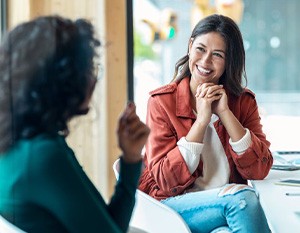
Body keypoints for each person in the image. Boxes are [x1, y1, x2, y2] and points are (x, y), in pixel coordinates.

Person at [0, 15, 150, 233]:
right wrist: (131, 163)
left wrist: (131, 158)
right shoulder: (43, 156)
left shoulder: (22, 143)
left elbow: (109, 226)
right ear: (65, 81)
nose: (93, 79)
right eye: (90, 69)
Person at [139, 14, 273, 233]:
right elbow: (165, 180)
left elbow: (259, 169)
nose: (205, 61)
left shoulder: (243, 102)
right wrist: (201, 122)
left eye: (217, 55)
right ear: (190, 46)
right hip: (174, 207)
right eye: (200, 49)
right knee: (242, 200)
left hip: (222, 212)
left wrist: (225, 113)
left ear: (229, 61)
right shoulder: (162, 102)